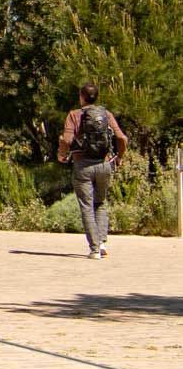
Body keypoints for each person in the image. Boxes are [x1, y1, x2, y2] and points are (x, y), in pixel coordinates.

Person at [57, 82, 128, 259]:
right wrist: (119, 157)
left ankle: (94, 249)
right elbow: (122, 138)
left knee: (87, 207)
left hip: (83, 165)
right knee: (101, 203)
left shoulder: (74, 115)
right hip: (104, 164)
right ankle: (102, 243)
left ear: (81, 97)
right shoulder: (106, 114)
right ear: (96, 97)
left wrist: (62, 155)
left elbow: (66, 140)